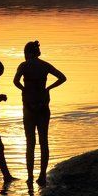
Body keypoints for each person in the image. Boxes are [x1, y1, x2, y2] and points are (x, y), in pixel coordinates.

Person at [13, 40, 66, 187]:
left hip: (29, 106)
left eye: (25, 53)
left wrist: (24, 89)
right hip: (43, 105)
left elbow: (15, 81)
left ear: (28, 53)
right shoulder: (45, 65)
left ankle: (30, 177)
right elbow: (62, 78)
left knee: (30, 142)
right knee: (44, 141)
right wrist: (48, 88)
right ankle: (42, 175)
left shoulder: (23, 66)